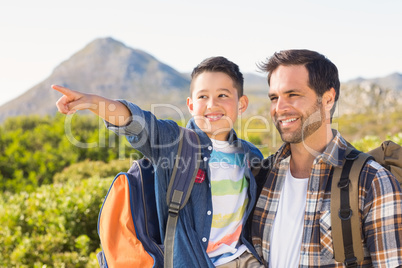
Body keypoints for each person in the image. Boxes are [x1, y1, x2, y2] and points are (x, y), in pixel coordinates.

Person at [53, 56, 265, 267]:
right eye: (203, 96)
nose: (212, 104)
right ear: (191, 105)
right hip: (193, 261)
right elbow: (138, 123)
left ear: (241, 104)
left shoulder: (251, 155)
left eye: (223, 95)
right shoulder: (175, 143)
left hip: (244, 257)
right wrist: (93, 102)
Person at [251, 49, 402, 267]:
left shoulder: (372, 182)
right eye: (274, 97)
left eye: (293, 94)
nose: (279, 108)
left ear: (328, 99)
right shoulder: (261, 177)